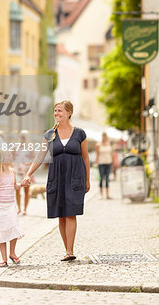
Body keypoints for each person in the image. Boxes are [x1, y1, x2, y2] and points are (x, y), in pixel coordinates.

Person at [22, 100, 90, 262]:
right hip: (56, 177)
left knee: (71, 214)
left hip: (75, 177)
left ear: (69, 113)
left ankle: (70, 250)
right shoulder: (49, 135)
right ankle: (67, 250)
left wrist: (87, 179)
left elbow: (85, 157)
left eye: (60, 111)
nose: (57, 113)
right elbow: (40, 157)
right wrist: (28, 174)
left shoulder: (80, 134)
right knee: (61, 215)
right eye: (55, 111)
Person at [0, 150, 24, 267]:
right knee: (1, 232)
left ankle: (12, 253)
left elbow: (14, 186)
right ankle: (4, 259)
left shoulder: (12, 172)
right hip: (0, 207)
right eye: (8, 156)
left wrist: (21, 184)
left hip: (11, 206)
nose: (11, 157)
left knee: (13, 227)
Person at [13, 130, 34, 215]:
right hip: (17, 171)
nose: (21, 139)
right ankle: (18, 208)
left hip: (26, 171)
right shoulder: (15, 147)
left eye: (23, 137)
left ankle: (25, 209)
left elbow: (34, 158)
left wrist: (29, 163)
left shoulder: (29, 147)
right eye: (20, 137)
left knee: (26, 190)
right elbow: (11, 157)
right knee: (17, 190)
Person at [95, 132, 113, 199]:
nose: (105, 138)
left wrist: (112, 161)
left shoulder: (109, 144)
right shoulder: (98, 145)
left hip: (108, 163)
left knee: (107, 179)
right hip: (101, 163)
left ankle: (107, 195)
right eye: (104, 136)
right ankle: (101, 194)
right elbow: (97, 155)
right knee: (101, 179)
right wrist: (96, 162)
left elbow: (111, 154)